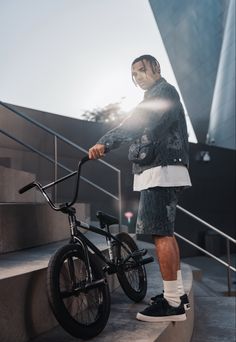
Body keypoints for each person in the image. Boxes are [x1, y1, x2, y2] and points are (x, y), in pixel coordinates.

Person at [88, 54, 192, 322]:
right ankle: (177, 295)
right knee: (165, 233)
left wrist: (105, 142)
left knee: (160, 234)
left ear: (156, 68)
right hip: (162, 169)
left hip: (161, 169)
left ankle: (172, 304)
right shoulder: (154, 96)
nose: (138, 77)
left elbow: (140, 122)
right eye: (134, 74)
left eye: (142, 70)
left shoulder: (164, 91)